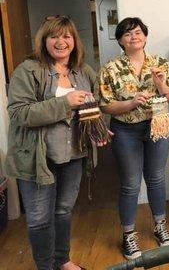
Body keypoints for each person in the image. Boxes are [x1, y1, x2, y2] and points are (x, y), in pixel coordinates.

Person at [5, 15, 102, 270]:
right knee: (39, 219)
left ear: (74, 40)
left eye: (67, 36)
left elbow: (96, 102)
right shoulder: (28, 70)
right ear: (44, 40)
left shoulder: (83, 71)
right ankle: (45, 267)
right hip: (38, 157)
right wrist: (64, 103)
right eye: (54, 36)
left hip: (73, 155)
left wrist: (98, 127)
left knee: (63, 211)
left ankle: (63, 260)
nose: (61, 42)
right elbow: (19, 113)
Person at [99, 17, 169, 260]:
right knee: (131, 183)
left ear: (145, 36)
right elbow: (105, 105)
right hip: (126, 130)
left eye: (137, 32)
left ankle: (160, 225)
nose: (133, 37)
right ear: (121, 40)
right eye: (127, 34)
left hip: (157, 126)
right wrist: (130, 103)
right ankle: (129, 235)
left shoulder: (160, 63)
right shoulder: (110, 69)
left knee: (156, 179)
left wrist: (161, 84)